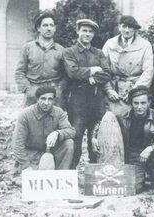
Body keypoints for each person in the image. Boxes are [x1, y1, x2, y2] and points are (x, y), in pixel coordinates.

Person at [94, 86, 154, 193]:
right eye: (136, 103)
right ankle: (141, 179)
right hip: (133, 157)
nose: (139, 107)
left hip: (150, 155)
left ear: (149, 102)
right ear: (131, 103)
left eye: (143, 103)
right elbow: (100, 122)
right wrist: (94, 138)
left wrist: (151, 148)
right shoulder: (122, 116)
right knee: (134, 187)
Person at [63, 19, 111, 167]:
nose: (87, 34)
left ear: (94, 34)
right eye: (84, 30)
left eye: (90, 31)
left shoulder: (99, 53)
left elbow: (107, 73)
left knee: (96, 135)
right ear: (78, 31)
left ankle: (95, 170)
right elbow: (72, 72)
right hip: (77, 101)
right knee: (76, 135)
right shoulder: (69, 52)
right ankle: (71, 172)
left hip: (97, 100)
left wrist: (93, 79)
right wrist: (91, 70)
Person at [13, 86, 75, 171]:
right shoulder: (25, 115)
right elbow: (17, 144)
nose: (46, 103)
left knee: (69, 143)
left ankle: (61, 174)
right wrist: (26, 166)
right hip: (32, 155)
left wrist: (57, 133)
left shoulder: (59, 112)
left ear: (54, 101)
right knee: (33, 179)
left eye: (50, 99)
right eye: (43, 98)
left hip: (52, 153)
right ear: (37, 99)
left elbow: (71, 131)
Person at [102, 15, 154, 117]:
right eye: (124, 26)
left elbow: (148, 71)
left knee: (131, 120)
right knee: (112, 121)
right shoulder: (109, 44)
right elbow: (103, 69)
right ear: (119, 27)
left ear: (134, 29)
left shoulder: (145, 45)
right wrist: (108, 90)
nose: (127, 30)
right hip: (114, 90)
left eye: (130, 27)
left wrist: (135, 92)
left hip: (133, 88)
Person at [15, 12, 67, 109]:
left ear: (55, 29)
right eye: (45, 25)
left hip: (54, 94)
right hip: (33, 93)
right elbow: (19, 72)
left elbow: (66, 75)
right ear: (39, 28)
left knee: (54, 122)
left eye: (51, 25)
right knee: (31, 122)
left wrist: (60, 89)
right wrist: (27, 89)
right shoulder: (28, 48)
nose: (49, 28)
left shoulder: (61, 50)